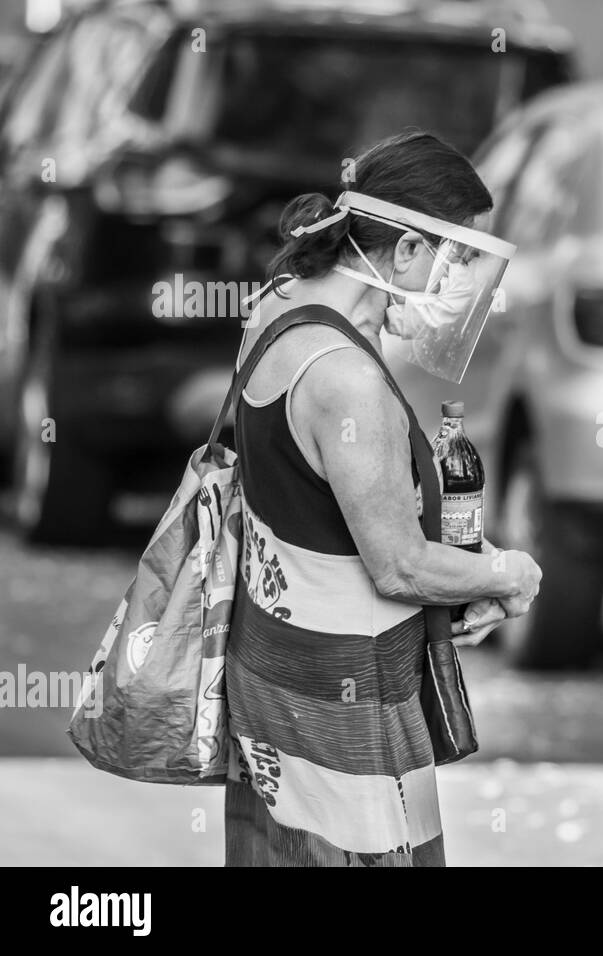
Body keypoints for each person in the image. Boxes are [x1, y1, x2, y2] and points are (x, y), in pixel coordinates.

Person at [224, 131, 542, 866]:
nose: (464, 286)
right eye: (460, 258)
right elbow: (396, 566)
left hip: (276, 677)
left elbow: (323, 513)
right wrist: (509, 575)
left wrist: (463, 568)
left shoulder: (277, 308)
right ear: (403, 253)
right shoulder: (348, 380)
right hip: (349, 700)